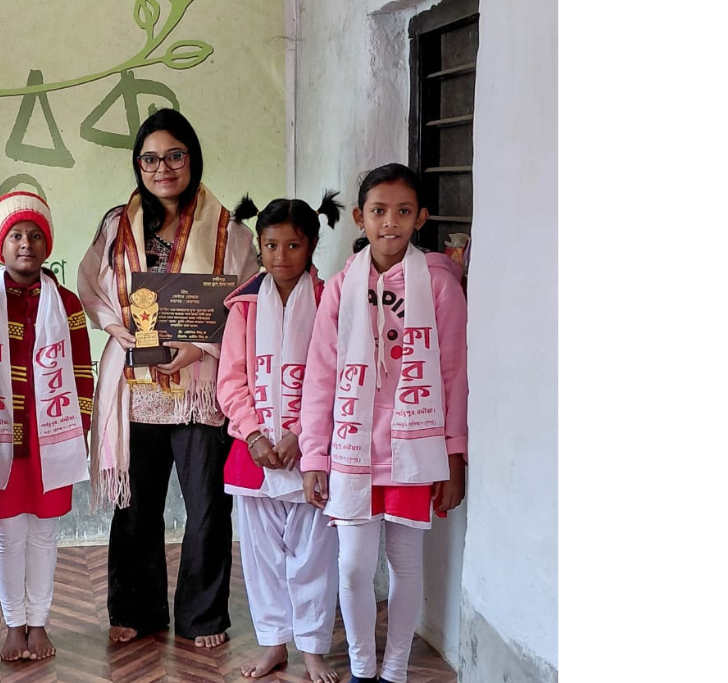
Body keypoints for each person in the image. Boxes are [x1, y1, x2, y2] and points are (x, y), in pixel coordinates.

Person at [77, 108, 257, 648]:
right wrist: (117, 326)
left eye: (174, 156)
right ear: (138, 165)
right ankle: (137, 609)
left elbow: (246, 302)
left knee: (207, 507)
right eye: (150, 159)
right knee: (136, 505)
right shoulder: (116, 225)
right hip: (135, 386)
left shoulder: (231, 230)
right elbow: (91, 285)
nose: (163, 168)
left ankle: (203, 616)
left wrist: (200, 345)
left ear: (192, 158)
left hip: (200, 383)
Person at [298, 164, 468, 683]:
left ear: (421, 217)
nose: (390, 221)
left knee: (404, 560)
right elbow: (321, 373)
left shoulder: (438, 286)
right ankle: (361, 665)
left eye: (402, 211)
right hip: (353, 447)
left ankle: (394, 670)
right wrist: (314, 453)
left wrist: (454, 453)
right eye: (378, 211)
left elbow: (454, 373)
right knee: (353, 565)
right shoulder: (341, 287)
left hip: (413, 447)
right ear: (360, 217)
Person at [0, 190, 94, 662]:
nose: (26, 244)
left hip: (50, 435)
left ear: (47, 244)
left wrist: (80, 428)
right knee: (8, 534)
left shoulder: (66, 303)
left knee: (45, 534)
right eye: (16, 235)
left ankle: (40, 623)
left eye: (35, 235)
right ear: (1, 244)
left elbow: (81, 370)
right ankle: (14, 624)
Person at [216, 194, 343, 681]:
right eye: (271, 245)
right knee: (261, 556)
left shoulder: (331, 300)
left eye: (293, 245)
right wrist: (253, 435)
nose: (281, 256)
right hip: (256, 453)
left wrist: (301, 435)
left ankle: (312, 647)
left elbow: (334, 377)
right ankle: (273, 643)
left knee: (314, 555)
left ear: (311, 244)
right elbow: (231, 379)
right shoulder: (244, 307)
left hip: (311, 452)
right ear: (259, 246)